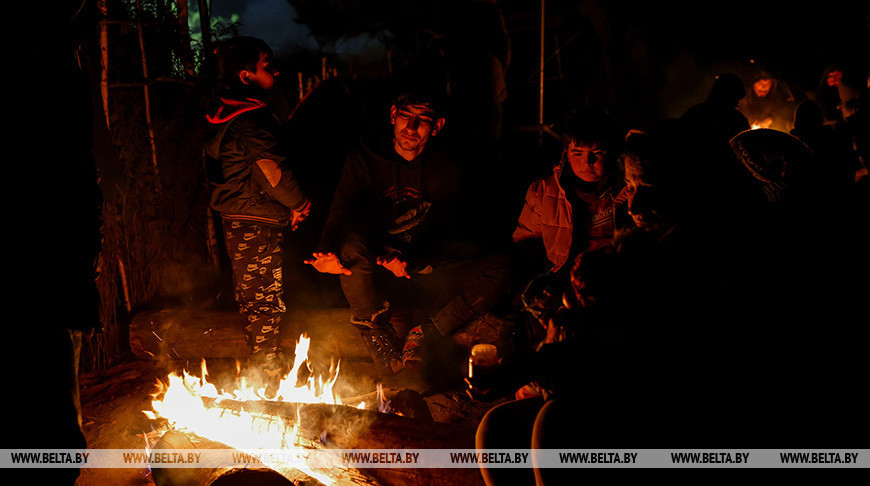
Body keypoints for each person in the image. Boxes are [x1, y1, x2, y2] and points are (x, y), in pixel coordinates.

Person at [305, 89, 512, 375]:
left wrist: (413, 262)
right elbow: (341, 213)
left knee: (501, 267)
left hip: (423, 270)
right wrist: (325, 251)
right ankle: (381, 344)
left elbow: (444, 230)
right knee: (350, 248)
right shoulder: (364, 159)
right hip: (376, 274)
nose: (411, 128)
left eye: (423, 120)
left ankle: (426, 333)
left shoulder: (446, 168)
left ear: (437, 126)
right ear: (393, 116)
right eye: (405, 116)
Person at [205, 37, 311, 394]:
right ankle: (268, 378)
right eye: (268, 64)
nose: (276, 70)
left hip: (241, 215)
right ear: (246, 75)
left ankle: (266, 365)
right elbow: (271, 171)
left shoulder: (225, 112)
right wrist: (298, 204)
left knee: (256, 292)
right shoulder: (251, 119)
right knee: (264, 295)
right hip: (254, 217)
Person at [512, 112, 625, 279]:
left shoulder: (626, 189)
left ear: (611, 153)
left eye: (597, 152)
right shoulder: (543, 192)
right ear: (566, 154)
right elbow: (524, 248)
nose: (587, 162)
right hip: (562, 280)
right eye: (577, 153)